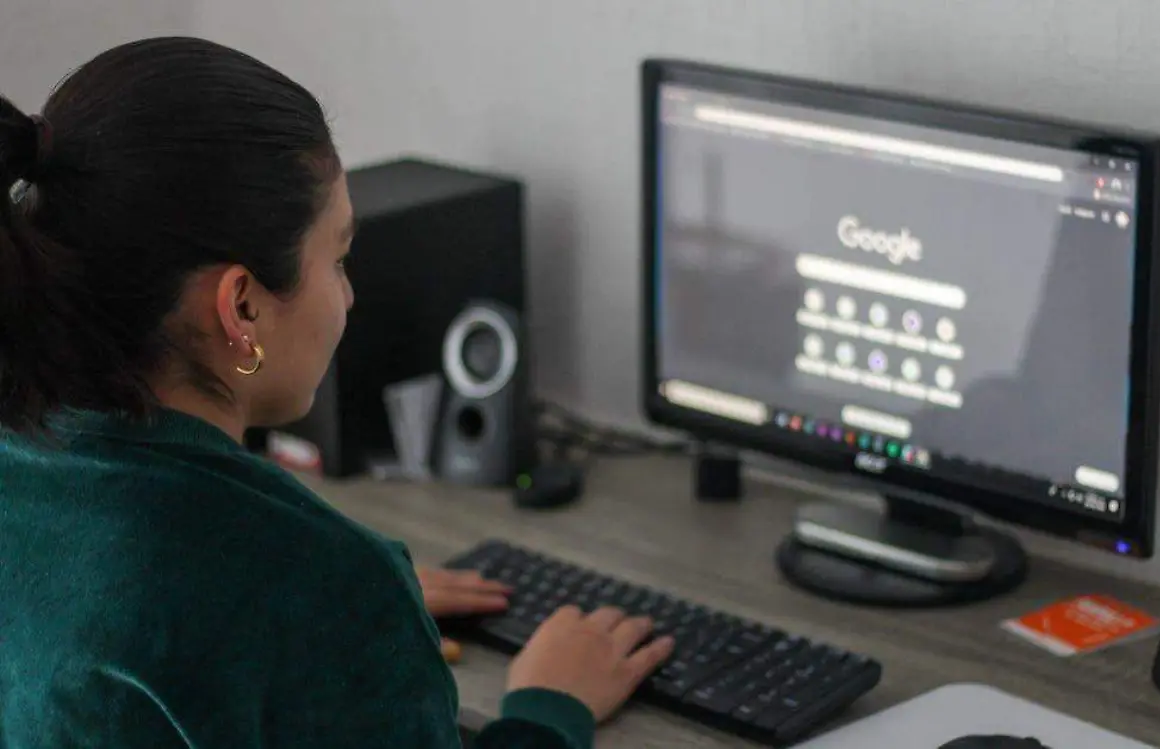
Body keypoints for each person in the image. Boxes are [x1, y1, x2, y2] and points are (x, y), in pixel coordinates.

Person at [0, 36, 673, 748]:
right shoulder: (328, 592)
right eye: (340, 258)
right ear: (241, 307)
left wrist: (341, 612)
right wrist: (547, 707)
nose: (349, 297)